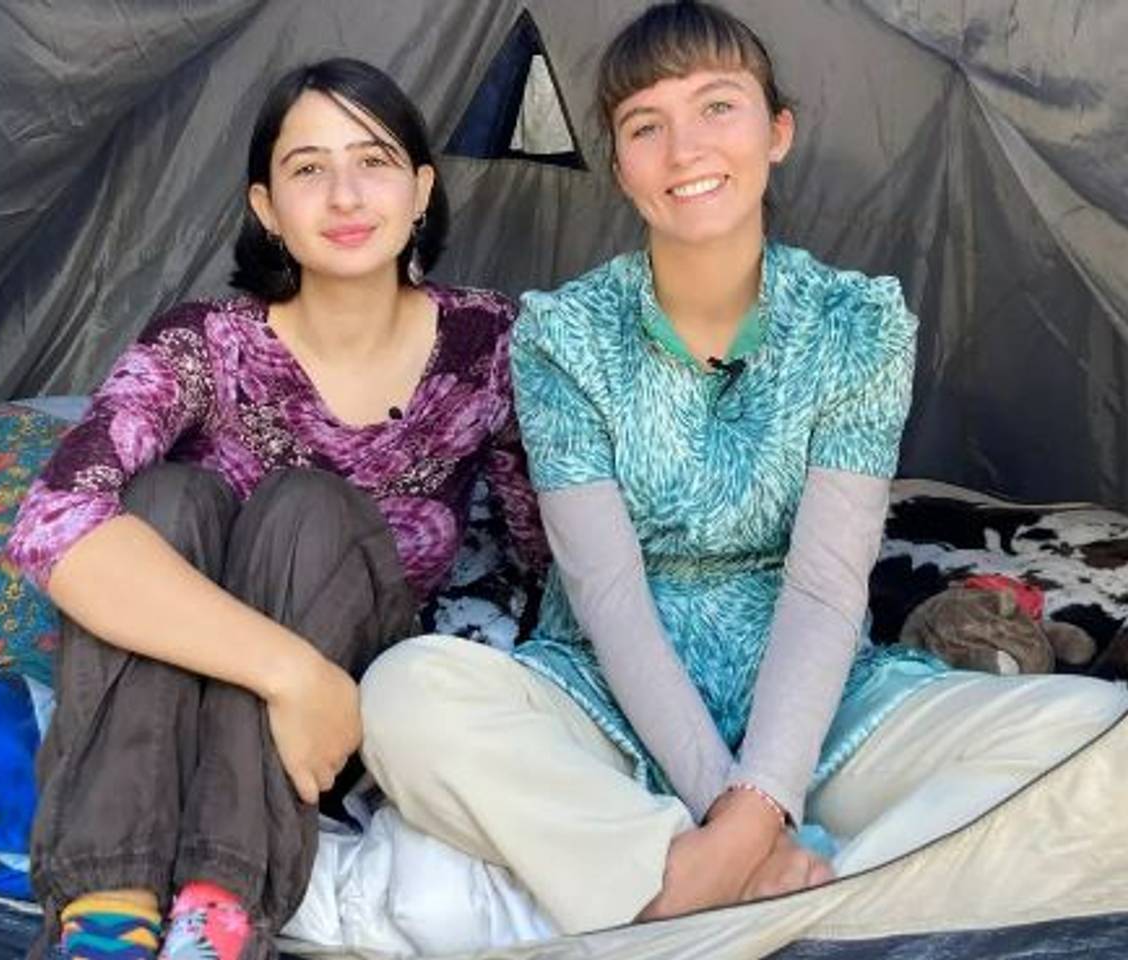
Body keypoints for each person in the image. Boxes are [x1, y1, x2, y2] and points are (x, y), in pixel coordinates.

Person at [359, 1, 1128, 937]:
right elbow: (606, 591)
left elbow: (824, 587)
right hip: (607, 704)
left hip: (821, 709)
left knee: (1095, 747)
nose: (685, 149)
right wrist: (739, 823)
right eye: (646, 125)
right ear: (620, 162)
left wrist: (758, 803)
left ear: (778, 132)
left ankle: (678, 901)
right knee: (407, 695)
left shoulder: (857, 324)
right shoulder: (563, 336)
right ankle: (808, 896)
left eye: (718, 107)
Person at [7, 57, 547, 960]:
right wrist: (289, 671)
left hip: (342, 698)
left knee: (307, 507)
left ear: (421, 190)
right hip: (242, 676)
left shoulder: (492, 345)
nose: (343, 195)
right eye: (307, 169)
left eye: (373, 161)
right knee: (163, 497)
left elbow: (544, 545)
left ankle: (217, 918)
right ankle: (108, 918)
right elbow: (53, 520)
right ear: (266, 206)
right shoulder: (202, 343)